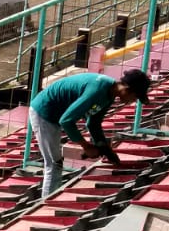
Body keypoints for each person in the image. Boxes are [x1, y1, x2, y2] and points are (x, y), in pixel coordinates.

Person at [28, 68, 152, 196]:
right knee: (54, 163)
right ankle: (46, 201)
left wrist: (106, 149)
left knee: (55, 163)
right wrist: (86, 146)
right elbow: (66, 121)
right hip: (44, 113)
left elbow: (93, 123)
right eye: (136, 97)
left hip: (56, 114)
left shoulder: (109, 94)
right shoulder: (98, 90)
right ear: (126, 88)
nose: (134, 101)